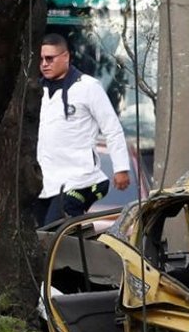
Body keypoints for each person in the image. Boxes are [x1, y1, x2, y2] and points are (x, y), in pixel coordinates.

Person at [35, 33, 130, 226]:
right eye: (42, 59)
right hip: (45, 181)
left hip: (80, 179)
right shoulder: (37, 91)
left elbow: (112, 128)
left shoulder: (88, 87)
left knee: (55, 228)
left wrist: (121, 168)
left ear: (66, 57)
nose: (45, 64)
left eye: (50, 58)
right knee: (41, 233)